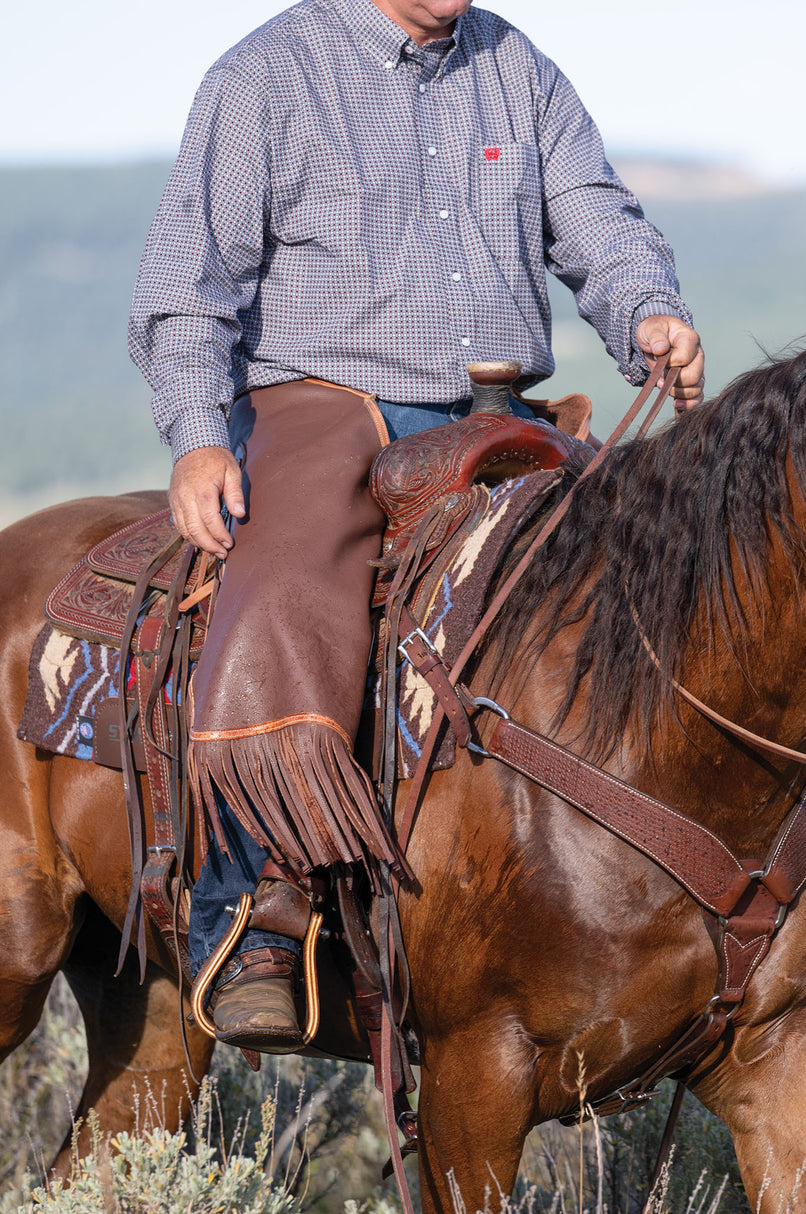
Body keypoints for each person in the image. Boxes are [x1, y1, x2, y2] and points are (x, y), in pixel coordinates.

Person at [128, 0, 703, 1053]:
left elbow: (595, 216)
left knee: (652, 561)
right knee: (288, 577)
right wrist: (202, 436)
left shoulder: (515, 67)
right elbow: (187, 279)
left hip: (494, 413)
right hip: (322, 398)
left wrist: (644, 308)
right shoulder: (269, 73)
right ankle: (258, 902)